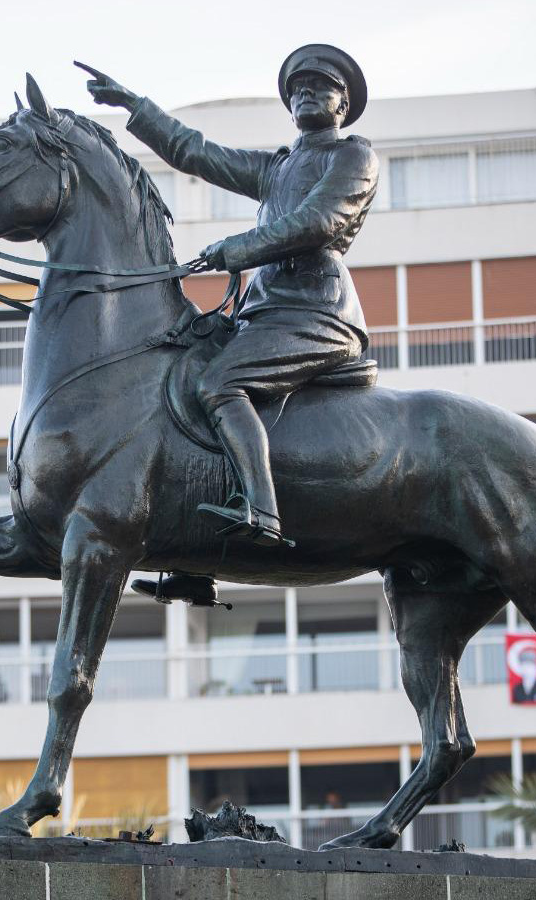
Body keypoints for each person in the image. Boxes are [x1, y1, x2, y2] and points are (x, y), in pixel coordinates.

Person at [78, 45, 380, 600]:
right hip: (263, 314)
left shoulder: (352, 157)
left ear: (344, 104)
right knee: (179, 375)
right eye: (298, 89)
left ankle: (262, 513)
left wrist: (237, 247)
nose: (307, 93)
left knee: (220, 383)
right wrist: (134, 107)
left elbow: (319, 220)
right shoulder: (278, 167)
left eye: (321, 86)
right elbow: (196, 153)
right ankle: (195, 560)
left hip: (317, 314)